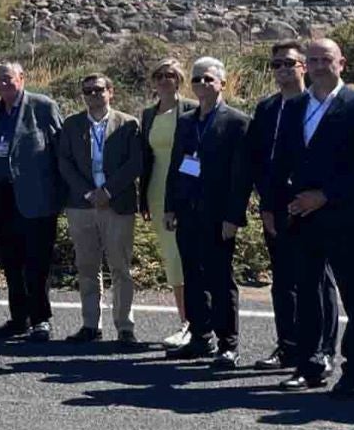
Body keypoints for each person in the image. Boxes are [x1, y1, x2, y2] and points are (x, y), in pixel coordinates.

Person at [266, 38, 354, 397]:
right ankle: (309, 365)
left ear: (341, 63)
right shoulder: (295, 106)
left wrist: (325, 195)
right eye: (312, 60)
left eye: (325, 59)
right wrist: (275, 204)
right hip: (301, 216)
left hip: (345, 214)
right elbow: (280, 161)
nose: (318, 66)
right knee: (308, 292)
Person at [163, 59, 252, 368]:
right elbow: (176, 166)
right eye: (197, 79)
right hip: (187, 212)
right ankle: (201, 338)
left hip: (218, 215)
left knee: (220, 279)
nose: (202, 85)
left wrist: (233, 217)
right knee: (192, 277)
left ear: (222, 84)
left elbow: (241, 177)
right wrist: (169, 206)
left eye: (209, 80)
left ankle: (228, 344)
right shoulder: (186, 121)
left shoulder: (237, 122)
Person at [248, 43, 326, 371]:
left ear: (304, 67)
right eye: (276, 64)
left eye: (289, 63)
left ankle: (319, 350)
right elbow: (258, 160)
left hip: (315, 205)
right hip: (277, 206)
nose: (282, 69)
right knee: (283, 281)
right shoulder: (267, 109)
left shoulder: (319, 105)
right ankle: (288, 347)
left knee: (318, 282)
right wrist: (265, 205)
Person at [0, 60, 65, 342]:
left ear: (22, 78)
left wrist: (61, 195)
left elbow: (60, 152)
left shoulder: (43, 106)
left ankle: (41, 320)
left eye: (7, 78)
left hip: (37, 197)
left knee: (37, 263)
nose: (2, 84)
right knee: (11, 262)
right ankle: (19, 318)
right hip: (3, 197)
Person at [57, 74, 144, 345]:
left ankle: (125, 326)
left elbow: (135, 163)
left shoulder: (129, 124)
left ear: (110, 92)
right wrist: (88, 192)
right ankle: (90, 324)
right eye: (87, 91)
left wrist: (107, 192)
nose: (93, 95)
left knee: (120, 267)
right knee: (87, 267)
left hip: (116, 205)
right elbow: (64, 162)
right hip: (81, 206)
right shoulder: (71, 125)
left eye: (98, 90)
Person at [139, 59, 195, 350]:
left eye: (170, 75)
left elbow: (196, 154)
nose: (164, 79)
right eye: (159, 74)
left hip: (184, 193)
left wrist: (189, 190)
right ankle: (186, 321)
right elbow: (147, 159)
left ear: (180, 79)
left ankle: (196, 323)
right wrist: (143, 199)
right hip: (157, 193)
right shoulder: (148, 114)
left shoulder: (190, 110)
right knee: (173, 261)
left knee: (187, 258)